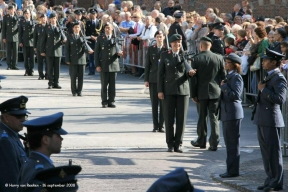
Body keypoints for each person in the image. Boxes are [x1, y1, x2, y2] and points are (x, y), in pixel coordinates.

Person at [253, 48, 287, 192]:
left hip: (271, 119)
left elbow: (280, 99)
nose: (263, 62)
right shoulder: (269, 75)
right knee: (266, 152)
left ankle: (276, 182)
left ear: (274, 62)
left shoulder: (279, 77)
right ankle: (270, 178)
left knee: (273, 153)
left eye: (266, 60)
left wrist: (263, 90)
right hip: (263, 118)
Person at [158, 34, 195, 153]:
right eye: (174, 42)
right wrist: (160, 90)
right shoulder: (165, 55)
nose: (177, 44)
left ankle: (178, 143)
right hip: (168, 90)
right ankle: (170, 143)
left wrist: (190, 73)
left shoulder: (185, 55)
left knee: (181, 119)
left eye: (179, 42)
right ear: (171, 44)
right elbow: (160, 74)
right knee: (168, 118)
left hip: (182, 90)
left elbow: (189, 71)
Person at [190, 37, 226, 151]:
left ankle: (201, 140)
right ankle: (214, 142)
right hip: (215, 91)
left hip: (201, 92)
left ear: (201, 46)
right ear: (210, 46)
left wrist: (193, 94)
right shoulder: (219, 58)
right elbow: (223, 76)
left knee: (202, 117)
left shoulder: (196, 59)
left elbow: (193, 79)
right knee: (214, 117)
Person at [18, 112, 68, 192]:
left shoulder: (32, 162)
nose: (61, 139)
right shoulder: (41, 171)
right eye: (58, 135)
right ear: (45, 140)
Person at [219, 53, 244, 178]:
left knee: (233, 143)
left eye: (228, 62)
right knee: (229, 143)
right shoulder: (229, 76)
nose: (225, 64)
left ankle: (233, 171)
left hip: (233, 113)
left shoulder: (236, 77)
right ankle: (230, 169)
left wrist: (224, 87)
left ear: (234, 64)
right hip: (227, 113)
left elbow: (236, 95)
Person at [0, 96, 29, 192]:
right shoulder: (5, 141)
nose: (23, 120)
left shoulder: (11, 134)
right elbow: (10, 182)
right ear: (6, 117)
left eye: (24, 116)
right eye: (19, 116)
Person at [95, 23, 123, 108]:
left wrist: (120, 53)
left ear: (112, 29)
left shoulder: (116, 38)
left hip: (113, 64)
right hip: (104, 64)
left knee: (112, 85)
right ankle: (104, 101)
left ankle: (111, 101)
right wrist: (97, 65)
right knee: (104, 85)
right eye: (106, 28)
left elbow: (119, 50)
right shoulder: (100, 38)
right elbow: (96, 53)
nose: (107, 29)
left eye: (109, 28)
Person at [144, 31, 167, 133]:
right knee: (154, 103)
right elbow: (147, 65)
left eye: (161, 37)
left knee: (163, 104)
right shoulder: (151, 49)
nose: (159, 39)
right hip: (153, 79)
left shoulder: (167, 50)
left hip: (164, 80)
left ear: (164, 38)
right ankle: (155, 125)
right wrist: (146, 79)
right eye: (157, 37)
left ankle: (161, 125)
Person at [65, 22, 94, 96]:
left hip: (81, 59)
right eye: (75, 27)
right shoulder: (70, 37)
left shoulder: (82, 37)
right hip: (73, 59)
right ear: (73, 28)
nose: (77, 29)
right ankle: (74, 91)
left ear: (80, 28)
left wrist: (89, 51)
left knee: (81, 76)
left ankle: (79, 90)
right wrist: (67, 59)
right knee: (73, 76)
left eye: (78, 27)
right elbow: (67, 49)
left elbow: (85, 47)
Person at [41, 11, 67, 89]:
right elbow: (43, 40)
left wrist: (64, 41)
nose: (53, 20)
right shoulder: (47, 28)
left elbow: (63, 40)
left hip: (58, 50)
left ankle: (56, 82)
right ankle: (50, 83)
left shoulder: (59, 28)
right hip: (49, 50)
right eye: (52, 18)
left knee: (57, 68)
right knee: (49, 68)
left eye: (54, 18)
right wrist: (42, 51)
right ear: (49, 19)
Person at [2, 4, 19, 70]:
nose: (11, 11)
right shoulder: (6, 17)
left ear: (14, 10)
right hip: (8, 36)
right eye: (10, 10)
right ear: (8, 10)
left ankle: (14, 65)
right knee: (8, 51)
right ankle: (9, 65)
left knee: (15, 52)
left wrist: (15, 14)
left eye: (12, 9)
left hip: (15, 37)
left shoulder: (16, 17)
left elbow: (18, 25)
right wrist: (4, 37)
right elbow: (4, 28)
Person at [85, 8, 102, 75]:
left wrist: (97, 37)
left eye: (94, 14)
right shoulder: (88, 22)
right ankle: (91, 70)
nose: (93, 15)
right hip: (91, 40)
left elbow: (102, 31)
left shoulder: (100, 22)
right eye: (92, 14)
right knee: (91, 56)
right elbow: (86, 32)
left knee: (99, 55)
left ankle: (99, 68)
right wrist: (91, 36)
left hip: (98, 40)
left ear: (96, 14)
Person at [19, 9, 35, 76]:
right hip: (25, 42)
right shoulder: (22, 22)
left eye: (27, 13)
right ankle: (26, 70)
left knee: (32, 57)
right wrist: (20, 41)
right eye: (25, 13)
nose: (26, 14)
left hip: (32, 42)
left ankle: (31, 70)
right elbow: (20, 33)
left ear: (30, 14)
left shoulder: (33, 22)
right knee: (25, 57)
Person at [34, 13, 48, 80]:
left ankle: (47, 74)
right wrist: (35, 47)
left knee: (48, 62)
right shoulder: (37, 26)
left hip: (47, 47)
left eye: (44, 17)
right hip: (39, 46)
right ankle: (40, 75)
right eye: (42, 18)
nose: (43, 19)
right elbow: (35, 37)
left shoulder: (49, 26)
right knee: (40, 62)